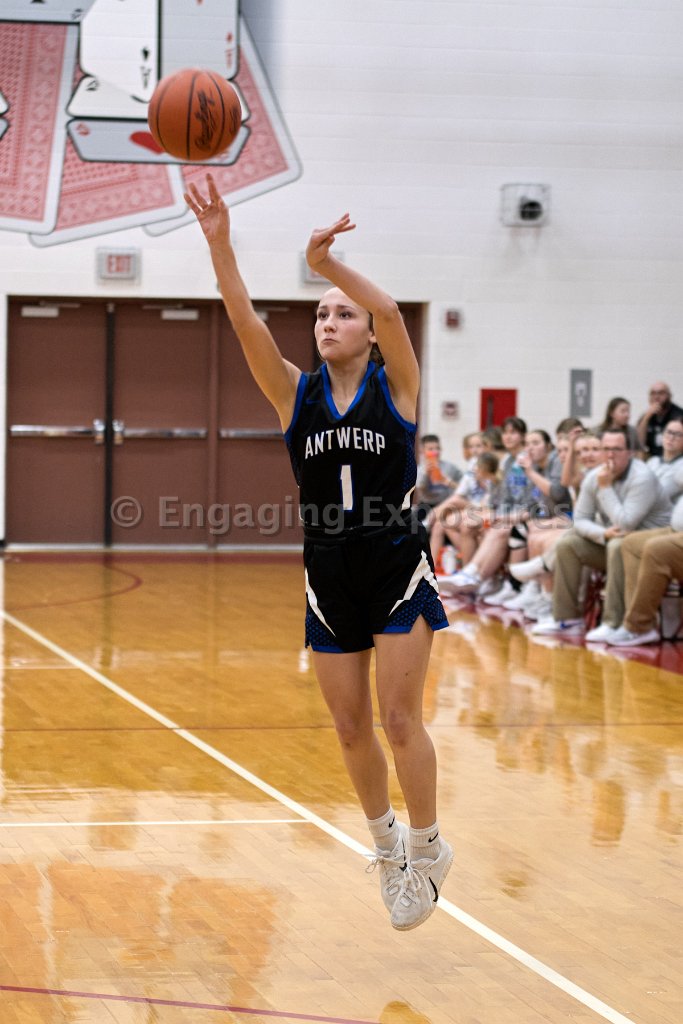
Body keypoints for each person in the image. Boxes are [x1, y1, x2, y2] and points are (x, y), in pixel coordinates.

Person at [185, 174, 453, 931]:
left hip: (394, 561)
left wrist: (324, 263)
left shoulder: (397, 388)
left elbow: (392, 311)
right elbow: (242, 319)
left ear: (366, 334)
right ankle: (388, 848)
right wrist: (220, 244)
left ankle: (430, 848)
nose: (328, 322)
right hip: (328, 569)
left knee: (399, 719)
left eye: (341, 314)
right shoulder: (292, 394)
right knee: (349, 727)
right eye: (320, 313)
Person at [531, 427, 672, 638]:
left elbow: (625, 523)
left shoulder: (642, 477)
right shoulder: (595, 476)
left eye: (617, 449)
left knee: (618, 545)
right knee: (568, 545)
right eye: (606, 449)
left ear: (630, 452)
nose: (610, 454)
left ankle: (612, 622)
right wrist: (603, 533)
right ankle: (567, 619)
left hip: (650, 546)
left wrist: (605, 488)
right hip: (617, 540)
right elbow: (579, 520)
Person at [605, 494, 683, 646]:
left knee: (656, 549)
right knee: (631, 543)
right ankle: (638, 625)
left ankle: (638, 625)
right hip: (676, 530)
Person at [414, 434, 462, 518]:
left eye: (438, 448)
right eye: (430, 449)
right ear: (422, 451)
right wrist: (426, 474)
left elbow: (464, 487)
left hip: (446, 504)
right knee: (416, 522)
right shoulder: (420, 469)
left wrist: (449, 482)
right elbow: (420, 489)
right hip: (427, 505)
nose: (435, 452)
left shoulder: (450, 467)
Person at [636, 381, 683, 458]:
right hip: (653, 457)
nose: (656, 397)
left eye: (661, 393)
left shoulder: (678, 415)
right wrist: (646, 418)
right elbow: (639, 443)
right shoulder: (647, 415)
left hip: (675, 457)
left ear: (669, 396)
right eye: (653, 393)